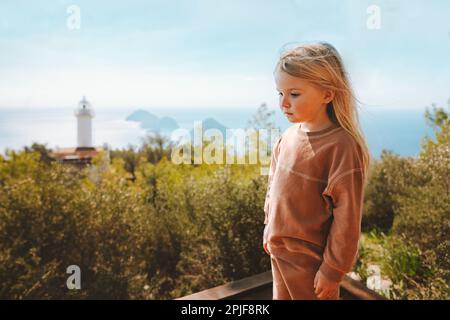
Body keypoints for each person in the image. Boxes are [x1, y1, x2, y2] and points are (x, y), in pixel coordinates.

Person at [263, 42, 371, 300]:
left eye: (295, 94)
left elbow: (347, 220)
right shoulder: (286, 138)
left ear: (327, 94)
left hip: (312, 266)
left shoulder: (342, 146)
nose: (284, 103)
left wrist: (332, 271)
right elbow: (272, 189)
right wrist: (269, 228)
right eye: (280, 93)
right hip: (279, 255)